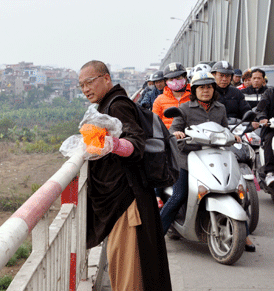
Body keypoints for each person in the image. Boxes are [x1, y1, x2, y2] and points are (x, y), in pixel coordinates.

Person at [79, 60, 172, 291]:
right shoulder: (106, 105)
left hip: (127, 200)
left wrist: (113, 144)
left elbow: (135, 143)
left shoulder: (117, 105)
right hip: (124, 198)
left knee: (128, 272)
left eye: (90, 82)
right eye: (81, 85)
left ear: (106, 79)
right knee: (129, 267)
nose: (86, 89)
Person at [161, 71, 256, 251]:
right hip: (189, 157)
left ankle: (245, 234)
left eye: (209, 87)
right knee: (179, 195)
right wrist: (176, 133)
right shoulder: (185, 109)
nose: (206, 90)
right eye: (202, 87)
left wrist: (233, 135)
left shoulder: (220, 108)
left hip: (215, 156)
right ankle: (158, 233)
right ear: (195, 90)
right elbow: (174, 128)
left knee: (236, 190)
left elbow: (225, 129)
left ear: (214, 90)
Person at [152, 62, 191, 129]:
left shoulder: (194, 97)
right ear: (166, 81)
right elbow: (154, 123)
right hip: (169, 137)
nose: (175, 81)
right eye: (171, 79)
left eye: (178, 77)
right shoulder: (160, 100)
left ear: (185, 78)